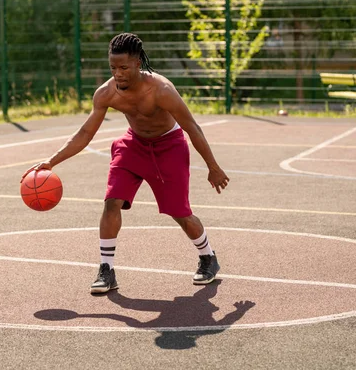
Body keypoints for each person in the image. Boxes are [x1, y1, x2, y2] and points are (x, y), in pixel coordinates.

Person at [21, 33, 230, 294]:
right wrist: (51, 161)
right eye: (112, 68)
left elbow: (192, 127)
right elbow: (85, 134)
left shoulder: (162, 90)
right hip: (133, 146)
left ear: (137, 63)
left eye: (123, 68)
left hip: (169, 146)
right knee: (111, 201)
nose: (117, 74)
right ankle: (106, 270)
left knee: (180, 213)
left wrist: (213, 166)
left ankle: (208, 257)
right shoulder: (106, 93)